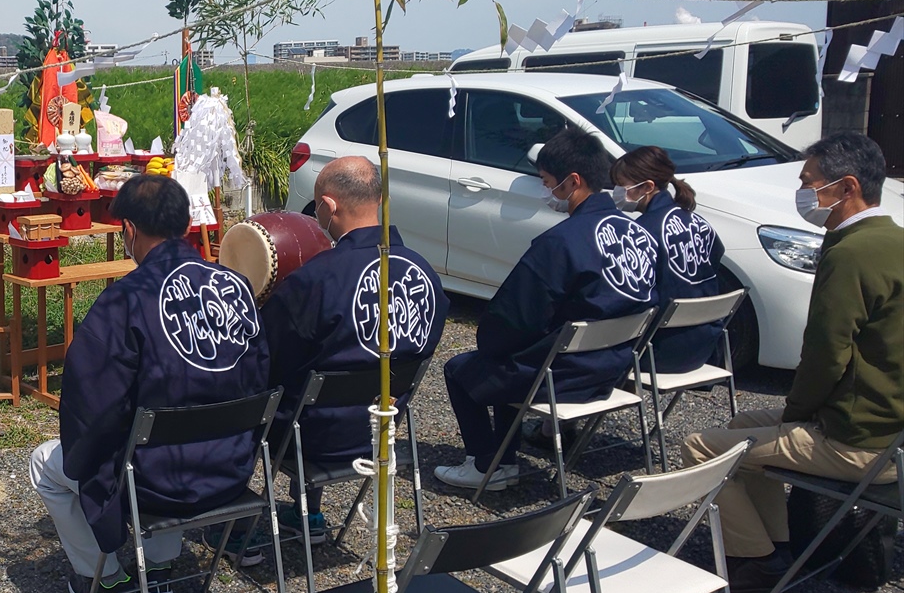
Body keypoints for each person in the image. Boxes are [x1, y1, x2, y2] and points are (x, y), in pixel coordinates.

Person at [28, 174, 270, 593]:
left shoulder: (124, 300)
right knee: (171, 426)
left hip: (154, 485)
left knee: (50, 463)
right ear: (183, 223)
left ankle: (109, 582)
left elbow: (91, 407)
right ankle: (159, 570)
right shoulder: (235, 288)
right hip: (231, 471)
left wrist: (91, 473)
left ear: (130, 231)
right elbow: (258, 376)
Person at [681, 132, 902, 593]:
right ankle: (779, 547)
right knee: (743, 423)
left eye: (808, 182)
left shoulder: (849, 253)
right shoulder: (892, 240)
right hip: (887, 430)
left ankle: (758, 561)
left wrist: (797, 413)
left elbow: (826, 354)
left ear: (845, 188)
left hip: (854, 438)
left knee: (702, 447)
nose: (802, 193)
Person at [435, 126, 658, 490]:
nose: (545, 191)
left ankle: (487, 464)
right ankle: (503, 457)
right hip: (613, 366)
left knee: (462, 369)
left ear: (572, 181)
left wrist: (492, 345)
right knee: (517, 353)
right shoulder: (638, 233)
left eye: (546, 181)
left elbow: (511, 318)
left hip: (561, 375)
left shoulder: (562, 242)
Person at [261, 155, 448, 542]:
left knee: (252, 399)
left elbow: (269, 358)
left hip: (309, 437)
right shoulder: (424, 271)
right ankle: (307, 511)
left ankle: (234, 528)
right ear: (378, 200)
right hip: (381, 429)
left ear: (328, 207)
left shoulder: (317, 278)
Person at [610, 145, 726, 372]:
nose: (616, 191)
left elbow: (631, 295)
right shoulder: (699, 222)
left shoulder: (641, 231)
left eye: (621, 185)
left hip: (659, 351)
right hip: (705, 346)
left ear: (647, 187)